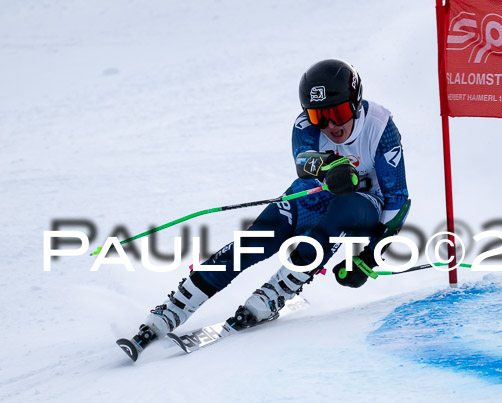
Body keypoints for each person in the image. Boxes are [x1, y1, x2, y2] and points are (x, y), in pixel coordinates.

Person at [119, 58, 410, 359]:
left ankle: (277, 291)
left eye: (338, 112)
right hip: (316, 192)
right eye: (319, 117)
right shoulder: (303, 125)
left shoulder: (380, 127)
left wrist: (369, 257)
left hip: (365, 203)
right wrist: (329, 166)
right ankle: (176, 306)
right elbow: (303, 162)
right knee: (256, 240)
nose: (331, 125)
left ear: (356, 102)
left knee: (338, 213)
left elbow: (398, 199)